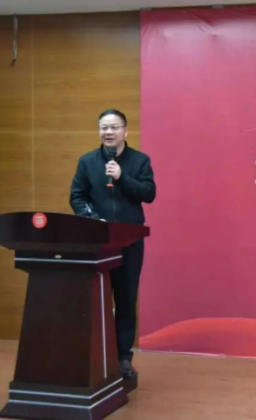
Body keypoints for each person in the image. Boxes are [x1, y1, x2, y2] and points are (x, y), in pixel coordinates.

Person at [69, 109, 156, 379]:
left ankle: (123, 358)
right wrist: (94, 220)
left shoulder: (140, 161)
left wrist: (121, 177)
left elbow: (149, 193)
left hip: (130, 243)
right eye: (103, 127)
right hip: (99, 242)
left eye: (114, 127)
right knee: (97, 300)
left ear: (125, 131)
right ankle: (96, 355)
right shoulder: (87, 162)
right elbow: (77, 197)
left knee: (126, 299)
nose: (108, 132)